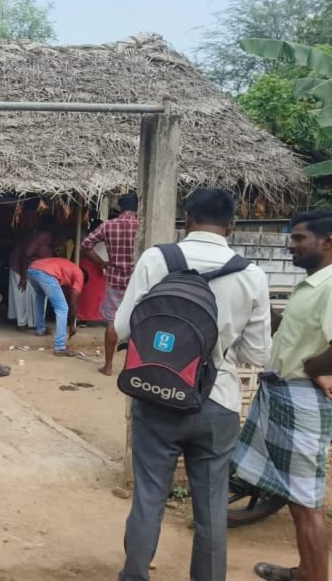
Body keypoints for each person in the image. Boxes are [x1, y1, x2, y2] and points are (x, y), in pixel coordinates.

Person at [113, 188, 271, 581]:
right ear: (232, 226)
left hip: (158, 394)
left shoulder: (157, 259)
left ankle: (135, 574)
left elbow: (122, 327)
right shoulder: (251, 274)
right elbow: (257, 354)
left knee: (149, 496)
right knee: (212, 508)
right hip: (219, 402)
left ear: (187, 220)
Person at [235, 210, 332, 581]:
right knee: (297, 496)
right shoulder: (312, 285)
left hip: (300, 397)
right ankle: (307, 572)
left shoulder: (331, 286)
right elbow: (293, 333)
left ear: (328, 242)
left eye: (298, 238)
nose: (290, 245)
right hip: (287, 394)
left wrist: (312, 367)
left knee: (307, 503)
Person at [81, 193, 140, 376]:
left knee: (113, 321)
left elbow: (86, 244)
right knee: (139, 321)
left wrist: (101, 263)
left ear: (119, 208)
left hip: (115, 280)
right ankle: (133, 367)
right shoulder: (141, 226)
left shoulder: (108, 226)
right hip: (138, 280)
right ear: (137, 207)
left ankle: (108, 366)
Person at [26, 256, 86, 357]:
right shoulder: (80, 275)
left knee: (40, 298)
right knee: (62, 308)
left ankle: (40, 329)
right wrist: (72, 325)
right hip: (46, 273)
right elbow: (73, 303)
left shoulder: (70, 268)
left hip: (31, 269)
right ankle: (60, 347)